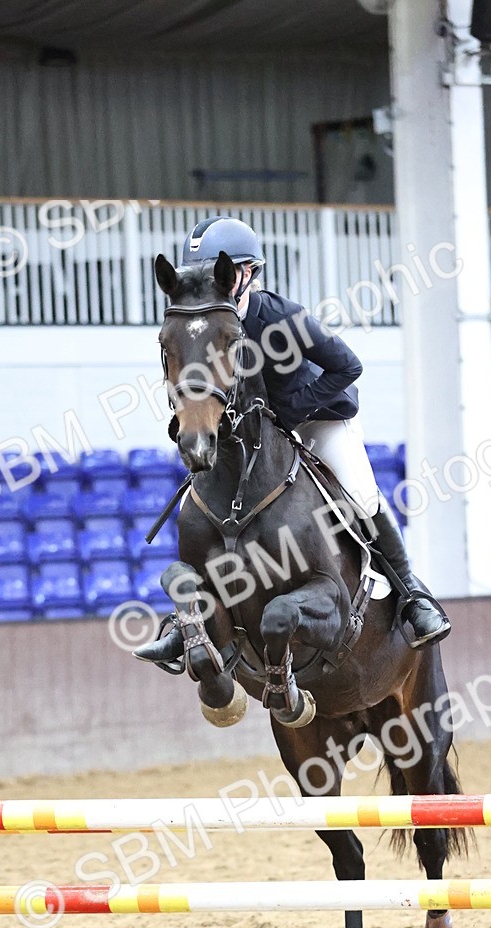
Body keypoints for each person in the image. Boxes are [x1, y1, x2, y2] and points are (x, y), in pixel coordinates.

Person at [158, 215, 450, 649]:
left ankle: (412, 596)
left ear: (248, 273)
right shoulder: (200, 325)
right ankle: (188, 629)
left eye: (223, 272)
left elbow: (348, 367)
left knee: (361, 495)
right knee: (198, 504)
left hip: (317, 418)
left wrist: (289, 411)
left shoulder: (282, 318)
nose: (211, 283)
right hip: (253, 433)